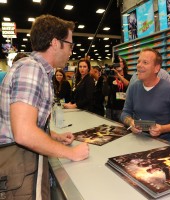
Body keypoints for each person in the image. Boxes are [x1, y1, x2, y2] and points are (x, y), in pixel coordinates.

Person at [0, 15, 89, 199]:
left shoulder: (37, 69)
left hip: (23, 160)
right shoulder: (31, 69)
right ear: (56, 43)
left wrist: (54, 136)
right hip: (19, 164)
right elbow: (23, 133)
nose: (71, 51)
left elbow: (25, 121)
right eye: (70, 45)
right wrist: (71, 153)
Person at [121, 48, 170, 143]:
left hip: (163, 143)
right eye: (139, 61)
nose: (139, 65)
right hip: (137, 141)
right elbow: (125, 113)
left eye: (145, 62)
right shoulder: (133, 87)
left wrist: (162, 129)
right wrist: (131, 122)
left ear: (156, 68)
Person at [104, 56, 132, 122]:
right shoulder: (111, 77)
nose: (118, 64)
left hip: (123, 109)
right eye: (116, 62)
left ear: (124, 64)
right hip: (110, 108)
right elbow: (105, 92)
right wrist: (105, 78)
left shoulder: (129, 77)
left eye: (120, 62)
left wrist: (118, 75)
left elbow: (129, 86)